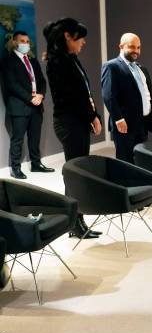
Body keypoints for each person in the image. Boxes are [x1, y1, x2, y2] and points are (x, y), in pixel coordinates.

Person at [43, 17, 102, 239]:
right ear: (67, 36)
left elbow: (84, 91)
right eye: (80, 37)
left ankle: (77, 221)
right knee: (76, 172)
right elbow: (72, 98)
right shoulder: (58, 62)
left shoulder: (71, 59)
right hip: (69, 123)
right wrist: (92, 116)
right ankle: (74, 224)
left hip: (77, 121)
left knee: (79, 171)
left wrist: (93, 114)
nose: (83, 42)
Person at [0, 30, 54, 179]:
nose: (26, 44)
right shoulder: (7, 61)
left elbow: (42, 81)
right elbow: (12, 84)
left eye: (28, 42)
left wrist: (41, 95)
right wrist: (30, 98)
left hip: (37, 105)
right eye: (22, 41)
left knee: (35, 137)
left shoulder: (33, 61)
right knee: (17, 139)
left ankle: (36, 164)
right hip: (19, 106)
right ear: (15, 43)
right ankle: (15, 168)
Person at [101, 33, 152, 164]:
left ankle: (140, 184)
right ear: (121, 46)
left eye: (138, 47)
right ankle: (125, 185)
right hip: (125, 124)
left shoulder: (142, 68)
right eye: (132, 47)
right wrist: (118, 119)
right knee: (125, 161)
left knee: (141, 160)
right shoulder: (112, 66)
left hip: (143, 123)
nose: (136, 51)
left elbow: (149, 94)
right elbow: (108, 95)